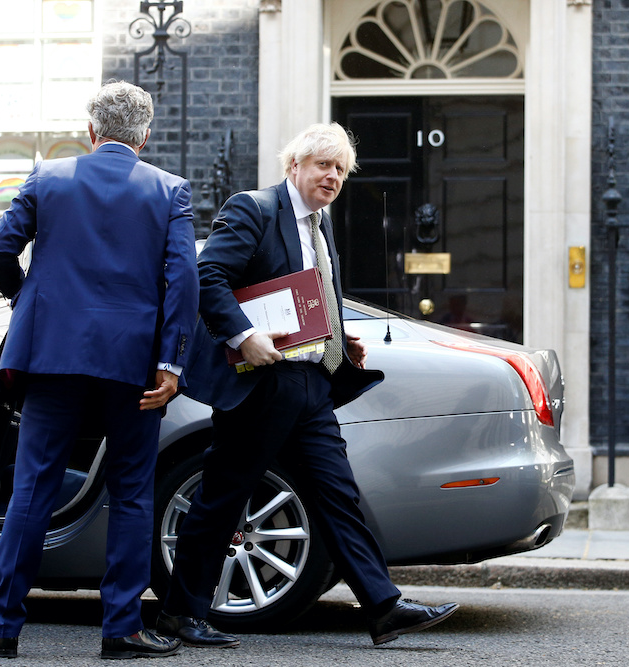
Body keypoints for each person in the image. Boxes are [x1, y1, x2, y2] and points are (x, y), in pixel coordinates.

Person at [155, 123, 458, 648]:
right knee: (225, 495)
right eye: (324, 165)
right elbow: (207, 277)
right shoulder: (254, 209)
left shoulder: (319, 226)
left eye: (341, 169)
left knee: (338, 494)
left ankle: (383, 607)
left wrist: (340, 344)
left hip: (312, 382)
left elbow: (317, 300)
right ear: (293, 165)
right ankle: (181, 613)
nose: (333, 177)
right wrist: (244, 335)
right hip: (261, 382)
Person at [0, 80, 198, 660]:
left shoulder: (47, 179)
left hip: (53, 356)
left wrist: (29, 305)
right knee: (130, 493)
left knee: (33, 489)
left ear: (91, 131)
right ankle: (120, 630)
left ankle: (2, 627)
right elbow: (183, 284)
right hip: (134, 364)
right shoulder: (170, 191)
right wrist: (172, 361)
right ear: (144, 136)